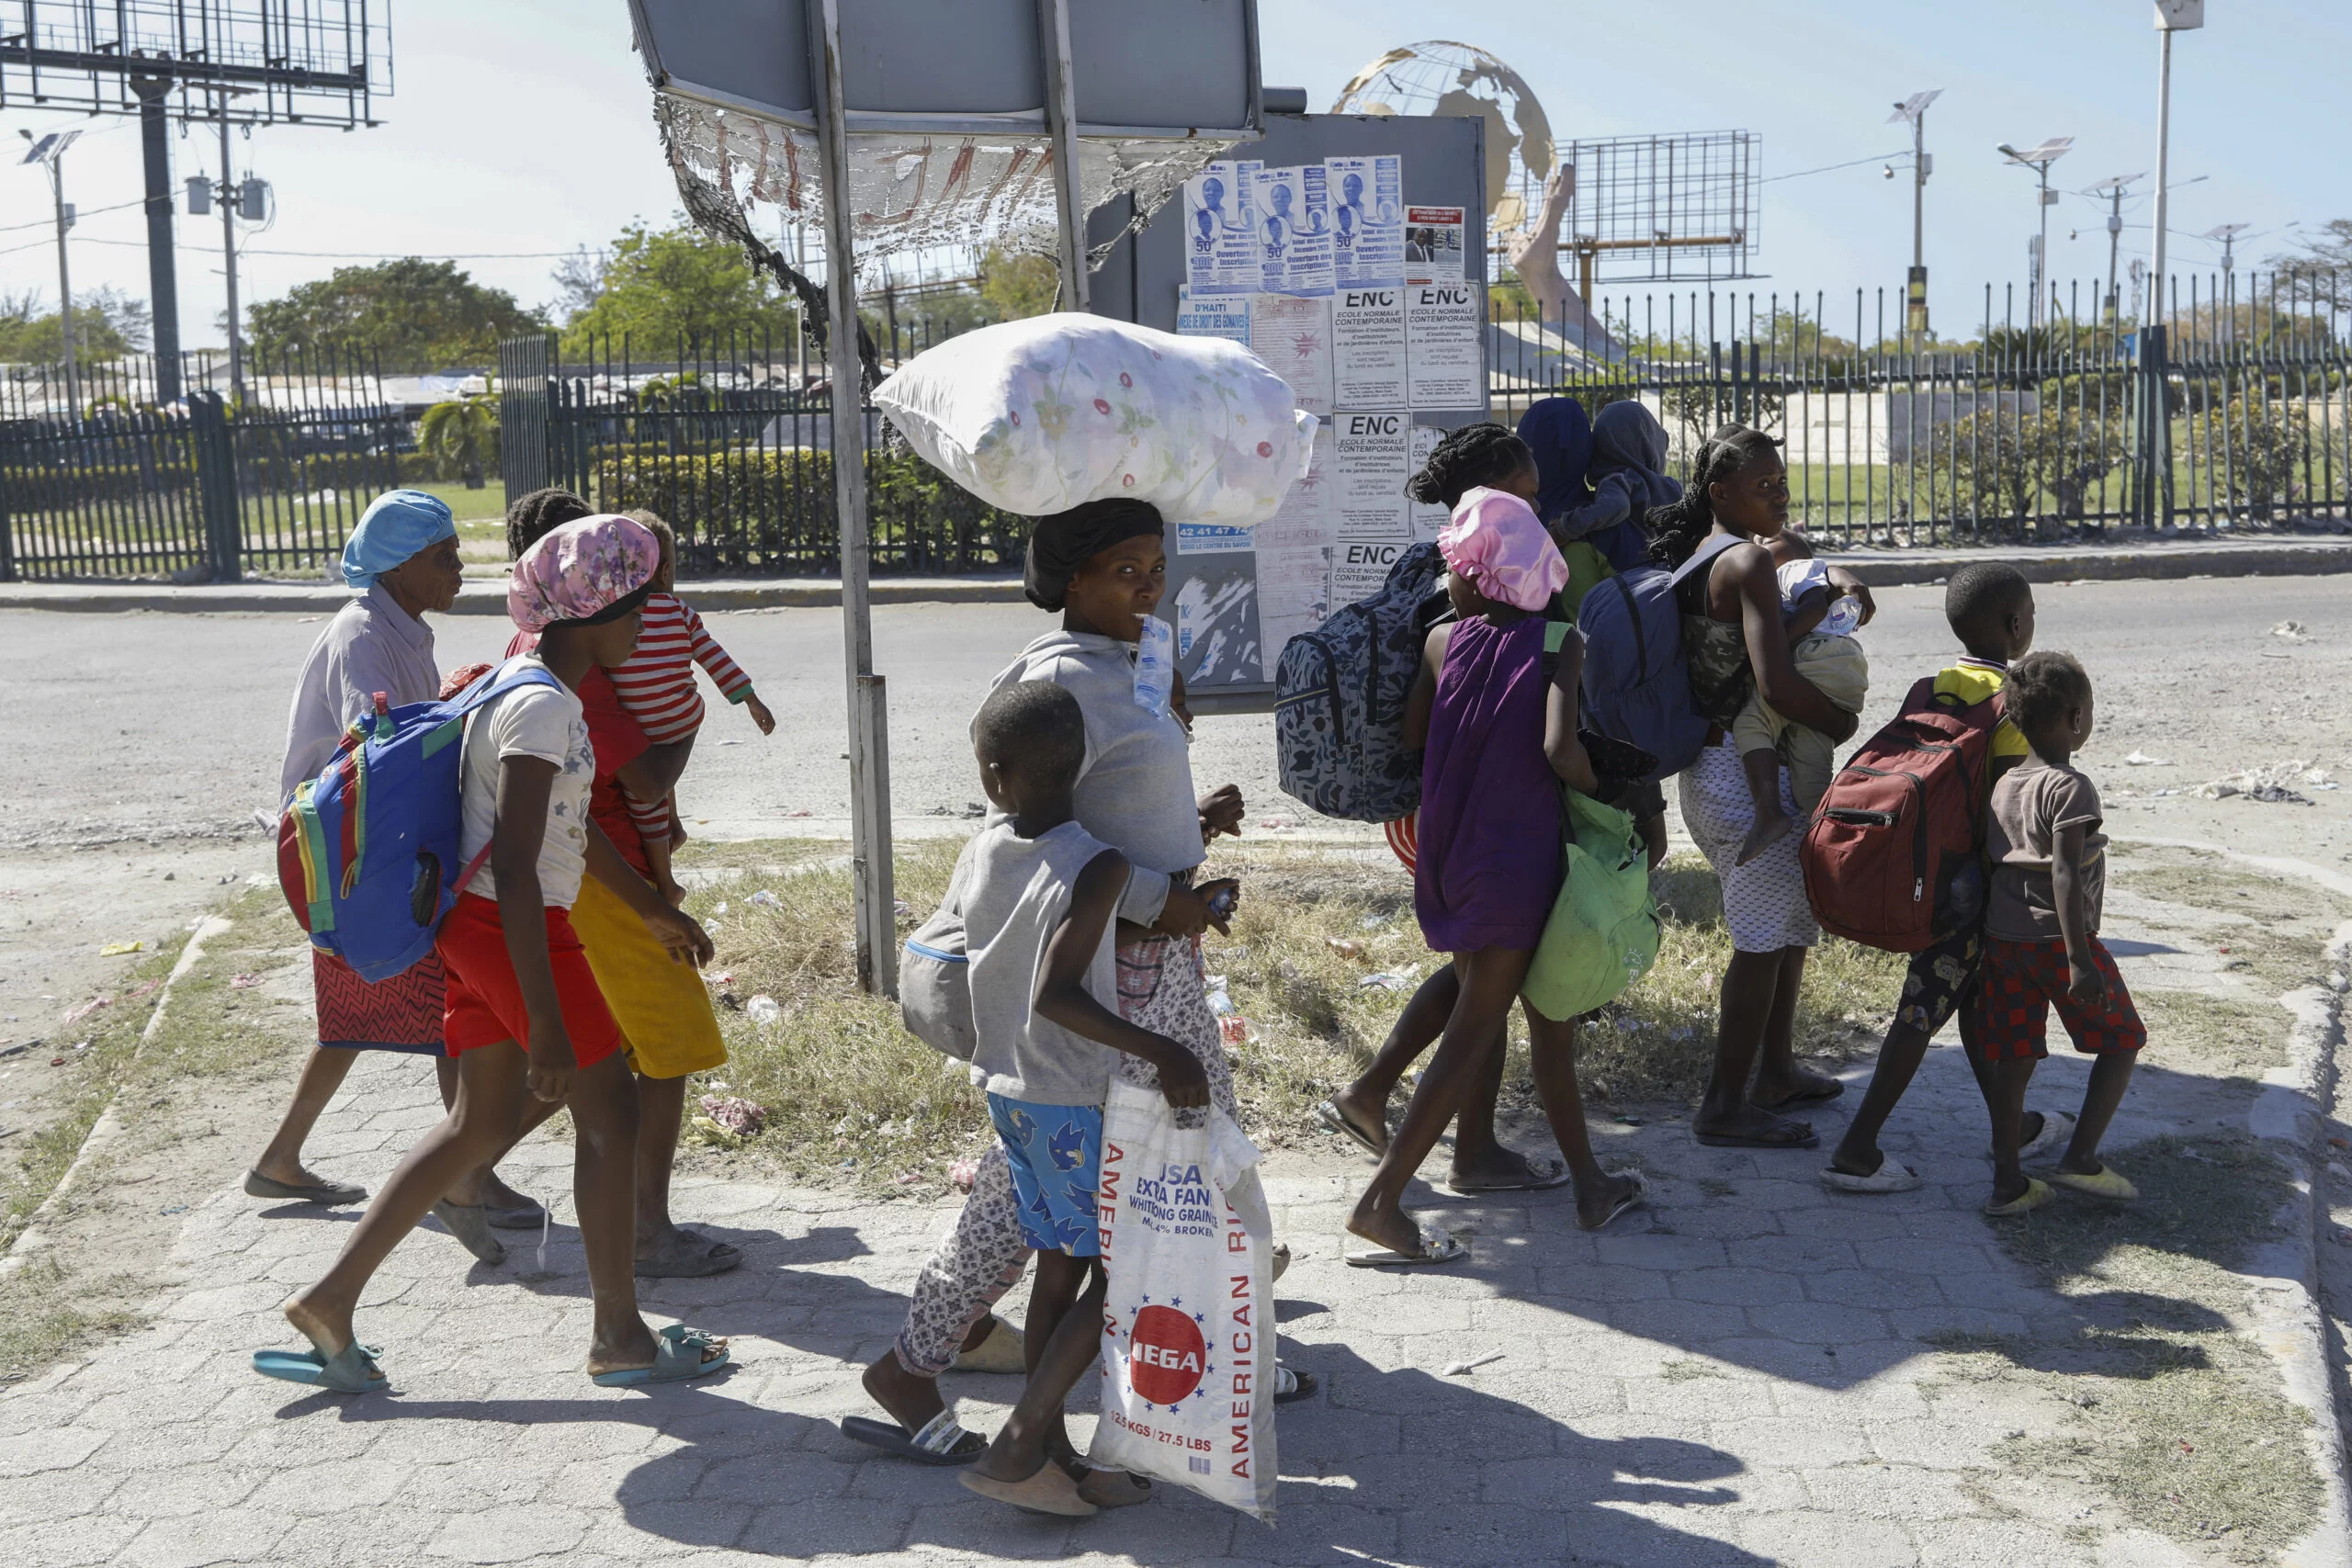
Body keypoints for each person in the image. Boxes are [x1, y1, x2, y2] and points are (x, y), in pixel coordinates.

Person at [252, 514, 728, 1393]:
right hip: (514, 929)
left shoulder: (533, 686)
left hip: (473, 930)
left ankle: (329, 1299)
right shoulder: (545, 704)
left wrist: (656, 910)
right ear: (591, 616)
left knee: (474, 1122)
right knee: (611, 1114)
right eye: (636, 611)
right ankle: (620, 1336)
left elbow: (569, 838)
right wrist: (545, 1019)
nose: (645, 628)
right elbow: (515, 863)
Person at [854, 497, 1285, 1466]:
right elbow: (1041, 835)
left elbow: (1113, 803)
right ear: (1072, 580)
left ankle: (921, 1360)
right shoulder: (1064, 682)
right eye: (1125, 570)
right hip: (1114, 972)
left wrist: (1192, 818)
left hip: (1136, 956)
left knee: (1039, 1183)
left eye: (1155, 567)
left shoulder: (1125, 665)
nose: (1148, 586)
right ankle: (1188, 1372)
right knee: (1172, 1167)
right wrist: (1158, 897)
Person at [1321, 422, 1667, 1193]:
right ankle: (1385, 1197)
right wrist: (1616, 797)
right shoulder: (1558, 641)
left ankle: (1508, 1160)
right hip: (1513, 849)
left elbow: (1415, 730)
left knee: (1488, 996)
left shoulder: (1446, 636)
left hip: (1446, 838)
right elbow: (1559, 752)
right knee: (1481, 1020)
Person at [250, 489, 540, 1258]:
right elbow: (369, 744)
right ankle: (469, 1172)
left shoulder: (401, 626)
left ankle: (286, 1159)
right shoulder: (362, 635)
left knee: (360, 1008)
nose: (458, 568)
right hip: (345, 854)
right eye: (444, 556)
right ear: (401, 564)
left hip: (370, 844)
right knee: (444, 1006)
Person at [951, 680, 1212, 1517]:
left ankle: (1053, 1450)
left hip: (1013, 1093)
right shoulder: (1095, 864)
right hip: (1074, 1095)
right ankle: (1021, 1440)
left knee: (1062, 1265)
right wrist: (1165, 1048)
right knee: (1125, 1271)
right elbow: (1058, 993)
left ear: (994, 778)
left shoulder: (984, 847)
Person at [505, 490, 741, 1278]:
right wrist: (652, 903)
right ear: (585, 598)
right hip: (603, 885)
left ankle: (462, 1179)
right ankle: (644, 1235)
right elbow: (591, 807)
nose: (648, 627)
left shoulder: (543, 666)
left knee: (587, 1063)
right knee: (663, 1048)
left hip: (595, 880)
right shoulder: (566, 689)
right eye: (634, 605)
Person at [1652, 426, 1874, 1149]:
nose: (1779, 495)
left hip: (1723, 766)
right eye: (1763, 486)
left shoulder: (1713, 553)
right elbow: (1775, 680)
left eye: (1781, 482)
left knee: (1786, 930)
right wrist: (1839, 717)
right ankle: (1723, 1104)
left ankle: (1775, 1071)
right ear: (1721, 493)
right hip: (1738, 777)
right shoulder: (1744, 559)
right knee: (1758, 943)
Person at [1826, 565, 2038, 1193]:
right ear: (2015, 624)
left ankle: (2015, 1124)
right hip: (1970, 889)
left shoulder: (1933, 685)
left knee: (1965, 997)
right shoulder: (2014, 701)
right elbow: (2008, 805)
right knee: (1922, 1008)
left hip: (1930, 873)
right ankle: (1857, 1147)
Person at [1974, 651, 2144, 1216]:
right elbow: (2065, 873)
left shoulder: (2005, 784)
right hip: (2057, 944)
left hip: (2003, 942)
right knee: (2123, 1041)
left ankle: (2007, 1181)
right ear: (2075, 719)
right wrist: (2080, 962)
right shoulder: (2071, 788)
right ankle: (2080, 1159)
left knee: (2014, 1058)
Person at [605, 512, 776, 908]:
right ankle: (676, 828)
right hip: (682, 718)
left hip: (640, 726)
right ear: (664, 571)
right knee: (662, 764)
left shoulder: (612, 619)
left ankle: (666, 884)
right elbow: (715, 658)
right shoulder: (680, 612)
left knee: (642, 795)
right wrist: (749, 699)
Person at [1731, 530, 1871, 866]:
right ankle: (1841, 841)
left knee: (1752, 722)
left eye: (1766, 543)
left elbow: (1812, 610)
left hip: (1818, 658)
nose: (1757, 548)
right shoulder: (1809, 572)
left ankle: (1768, 812)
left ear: (1794, 552)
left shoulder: (1791, 571)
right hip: (1839, 672)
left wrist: (1775, 646)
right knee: (1811, 774)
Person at [1556, 400, 1682, 573]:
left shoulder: (1618, 480)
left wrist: (1565, 527)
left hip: (1634, 575)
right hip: (1673, 570)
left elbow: (1616, 506)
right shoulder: (1672, 486)